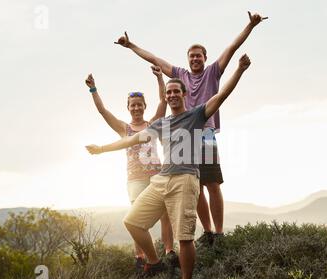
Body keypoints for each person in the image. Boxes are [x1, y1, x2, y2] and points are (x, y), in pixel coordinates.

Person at [86, 54, 251, 279]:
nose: (172, 95)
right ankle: (154, 262)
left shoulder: (196, 115)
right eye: (169, 92)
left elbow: (221, 96)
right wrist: (102, 149)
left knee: (184, 238)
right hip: (161, 179)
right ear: (165, 97)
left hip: (186, 179)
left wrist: (239, 70)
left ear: (184, 95)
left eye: (176, 91)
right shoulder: (160, 124)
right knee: (132, 222)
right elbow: (130, 140)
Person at [114, 12, 267, 245]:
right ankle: (207, 233)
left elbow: (232, 47)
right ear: (187, 60)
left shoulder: (213, 72)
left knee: (212, 183)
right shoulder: (180, 76)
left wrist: (251, 26)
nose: (195, 59)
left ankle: (219, 232)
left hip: (204, 135)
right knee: (193, 186)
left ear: (205, 58)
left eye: (198, 56)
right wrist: (131, 45)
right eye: (191, 56)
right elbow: (154, 59)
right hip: (182, 138)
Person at [85, 66, 179, 272]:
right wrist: (93, 90)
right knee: (137, 218)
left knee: (165, 215)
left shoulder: (154, 123)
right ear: (128, 108)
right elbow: (103, 111)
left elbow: (163, 101)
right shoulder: (123, 129)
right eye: (132, 105)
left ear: (144, 106)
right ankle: (141, 256)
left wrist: (159, 78)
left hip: (157, 175)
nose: (136, 108)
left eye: (139, 105)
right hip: (135, 180)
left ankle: (169, 251)